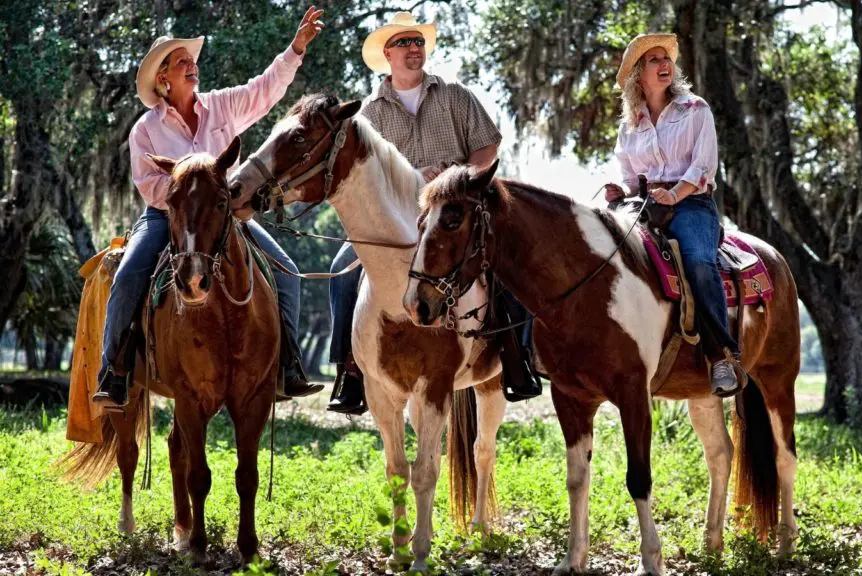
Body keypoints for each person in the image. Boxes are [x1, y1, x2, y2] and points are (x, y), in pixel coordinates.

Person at [92, 7, 328, 409]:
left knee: (287, 270)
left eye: (192, 60)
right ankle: (113, 371)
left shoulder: (222, 105)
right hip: (167, 218)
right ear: (162, 78)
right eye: (181, 62)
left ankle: (287, 366)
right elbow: (149, 186)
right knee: (129, 274)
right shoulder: (144, 130)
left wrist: (295, 49)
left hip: (225, 219)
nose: (192, 66)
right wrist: (192, 192)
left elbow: (265, 89)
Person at [326, 12, 541, 414]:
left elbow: (487, 147)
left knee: (510, 262)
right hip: (397, 216)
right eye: (404, 43)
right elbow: (366, 176)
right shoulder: (368, 114)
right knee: (342, 270)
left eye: (419, 42)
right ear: (387, 54)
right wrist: (412, 178)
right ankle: (349, 370)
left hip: (456, 215)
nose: (414, 48)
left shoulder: (455, 95)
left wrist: (456, 181)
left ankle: (517, 357)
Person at [603, 33, 740, 397]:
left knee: (698, 263)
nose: (665, 64)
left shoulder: (695, 109)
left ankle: (720, 355)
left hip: (692, 203)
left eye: (666, 58)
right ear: (638, 74)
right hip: (644, 205)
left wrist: (675, 193)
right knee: (609, 255)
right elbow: (630, 176)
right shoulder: (629, 125)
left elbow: (703, 166)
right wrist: (621, 191)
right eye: (654, 60)